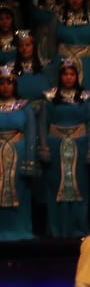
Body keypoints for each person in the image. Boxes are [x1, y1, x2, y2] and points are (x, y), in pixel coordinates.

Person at [39, 59, 90, 238]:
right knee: (55, 188)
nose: (68, 77)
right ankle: (56, 228)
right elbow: (43, 124)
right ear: (60, 76)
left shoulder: (85, 98)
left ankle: (78, 227)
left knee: (79, 188)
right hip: (55, 147)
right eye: (65, 74)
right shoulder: (50, 98)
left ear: (77, 76)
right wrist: (44, 147)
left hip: (80, 147)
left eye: (72, 74)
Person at [0, 65, 40, 240]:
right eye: (2, 83)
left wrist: (30, 160)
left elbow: (31, 134)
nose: (5, 87)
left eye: (9, 83)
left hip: (20, 152)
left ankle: (19, 228)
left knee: (20, 191)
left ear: (14, 85)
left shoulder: (24, 107)